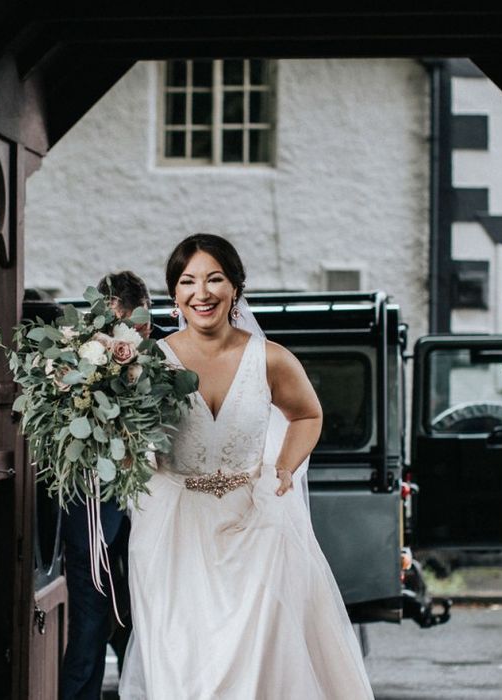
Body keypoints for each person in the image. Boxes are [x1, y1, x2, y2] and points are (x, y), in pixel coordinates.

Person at [119, 234, 374, 699]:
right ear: (174, 295)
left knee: (258, 660)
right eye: (188, 281)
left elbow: (308, 415)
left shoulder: (270, 358)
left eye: (215, 279)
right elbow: (132, 441)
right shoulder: (149, 364)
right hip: (174, 531)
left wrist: (284, 467)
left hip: (254, 524)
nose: (203, 292)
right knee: (182, 661)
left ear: (235, 288)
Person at [61, 270, 153, 700]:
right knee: (90, 620)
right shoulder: (76, 359)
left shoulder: (169, 355)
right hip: (95, 507)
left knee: (151, 613)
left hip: (158, 509)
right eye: (121, 326)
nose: (131, 337)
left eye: (138, 326)